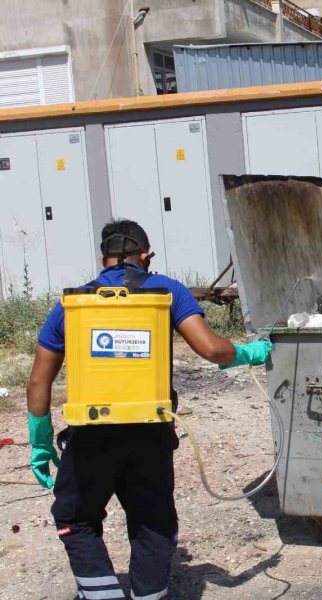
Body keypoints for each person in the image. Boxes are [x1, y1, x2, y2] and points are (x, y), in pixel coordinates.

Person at [26, 219, 272, 600]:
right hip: (150, 430)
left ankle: (101, 594)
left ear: (103, 258)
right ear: (146, 256)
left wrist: (39, 443)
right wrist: (249, 352)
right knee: (152, 521)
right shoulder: (167, 291)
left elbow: (39, 382)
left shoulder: (72, 304)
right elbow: (210, 348)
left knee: (76, 519)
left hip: (92, 432)